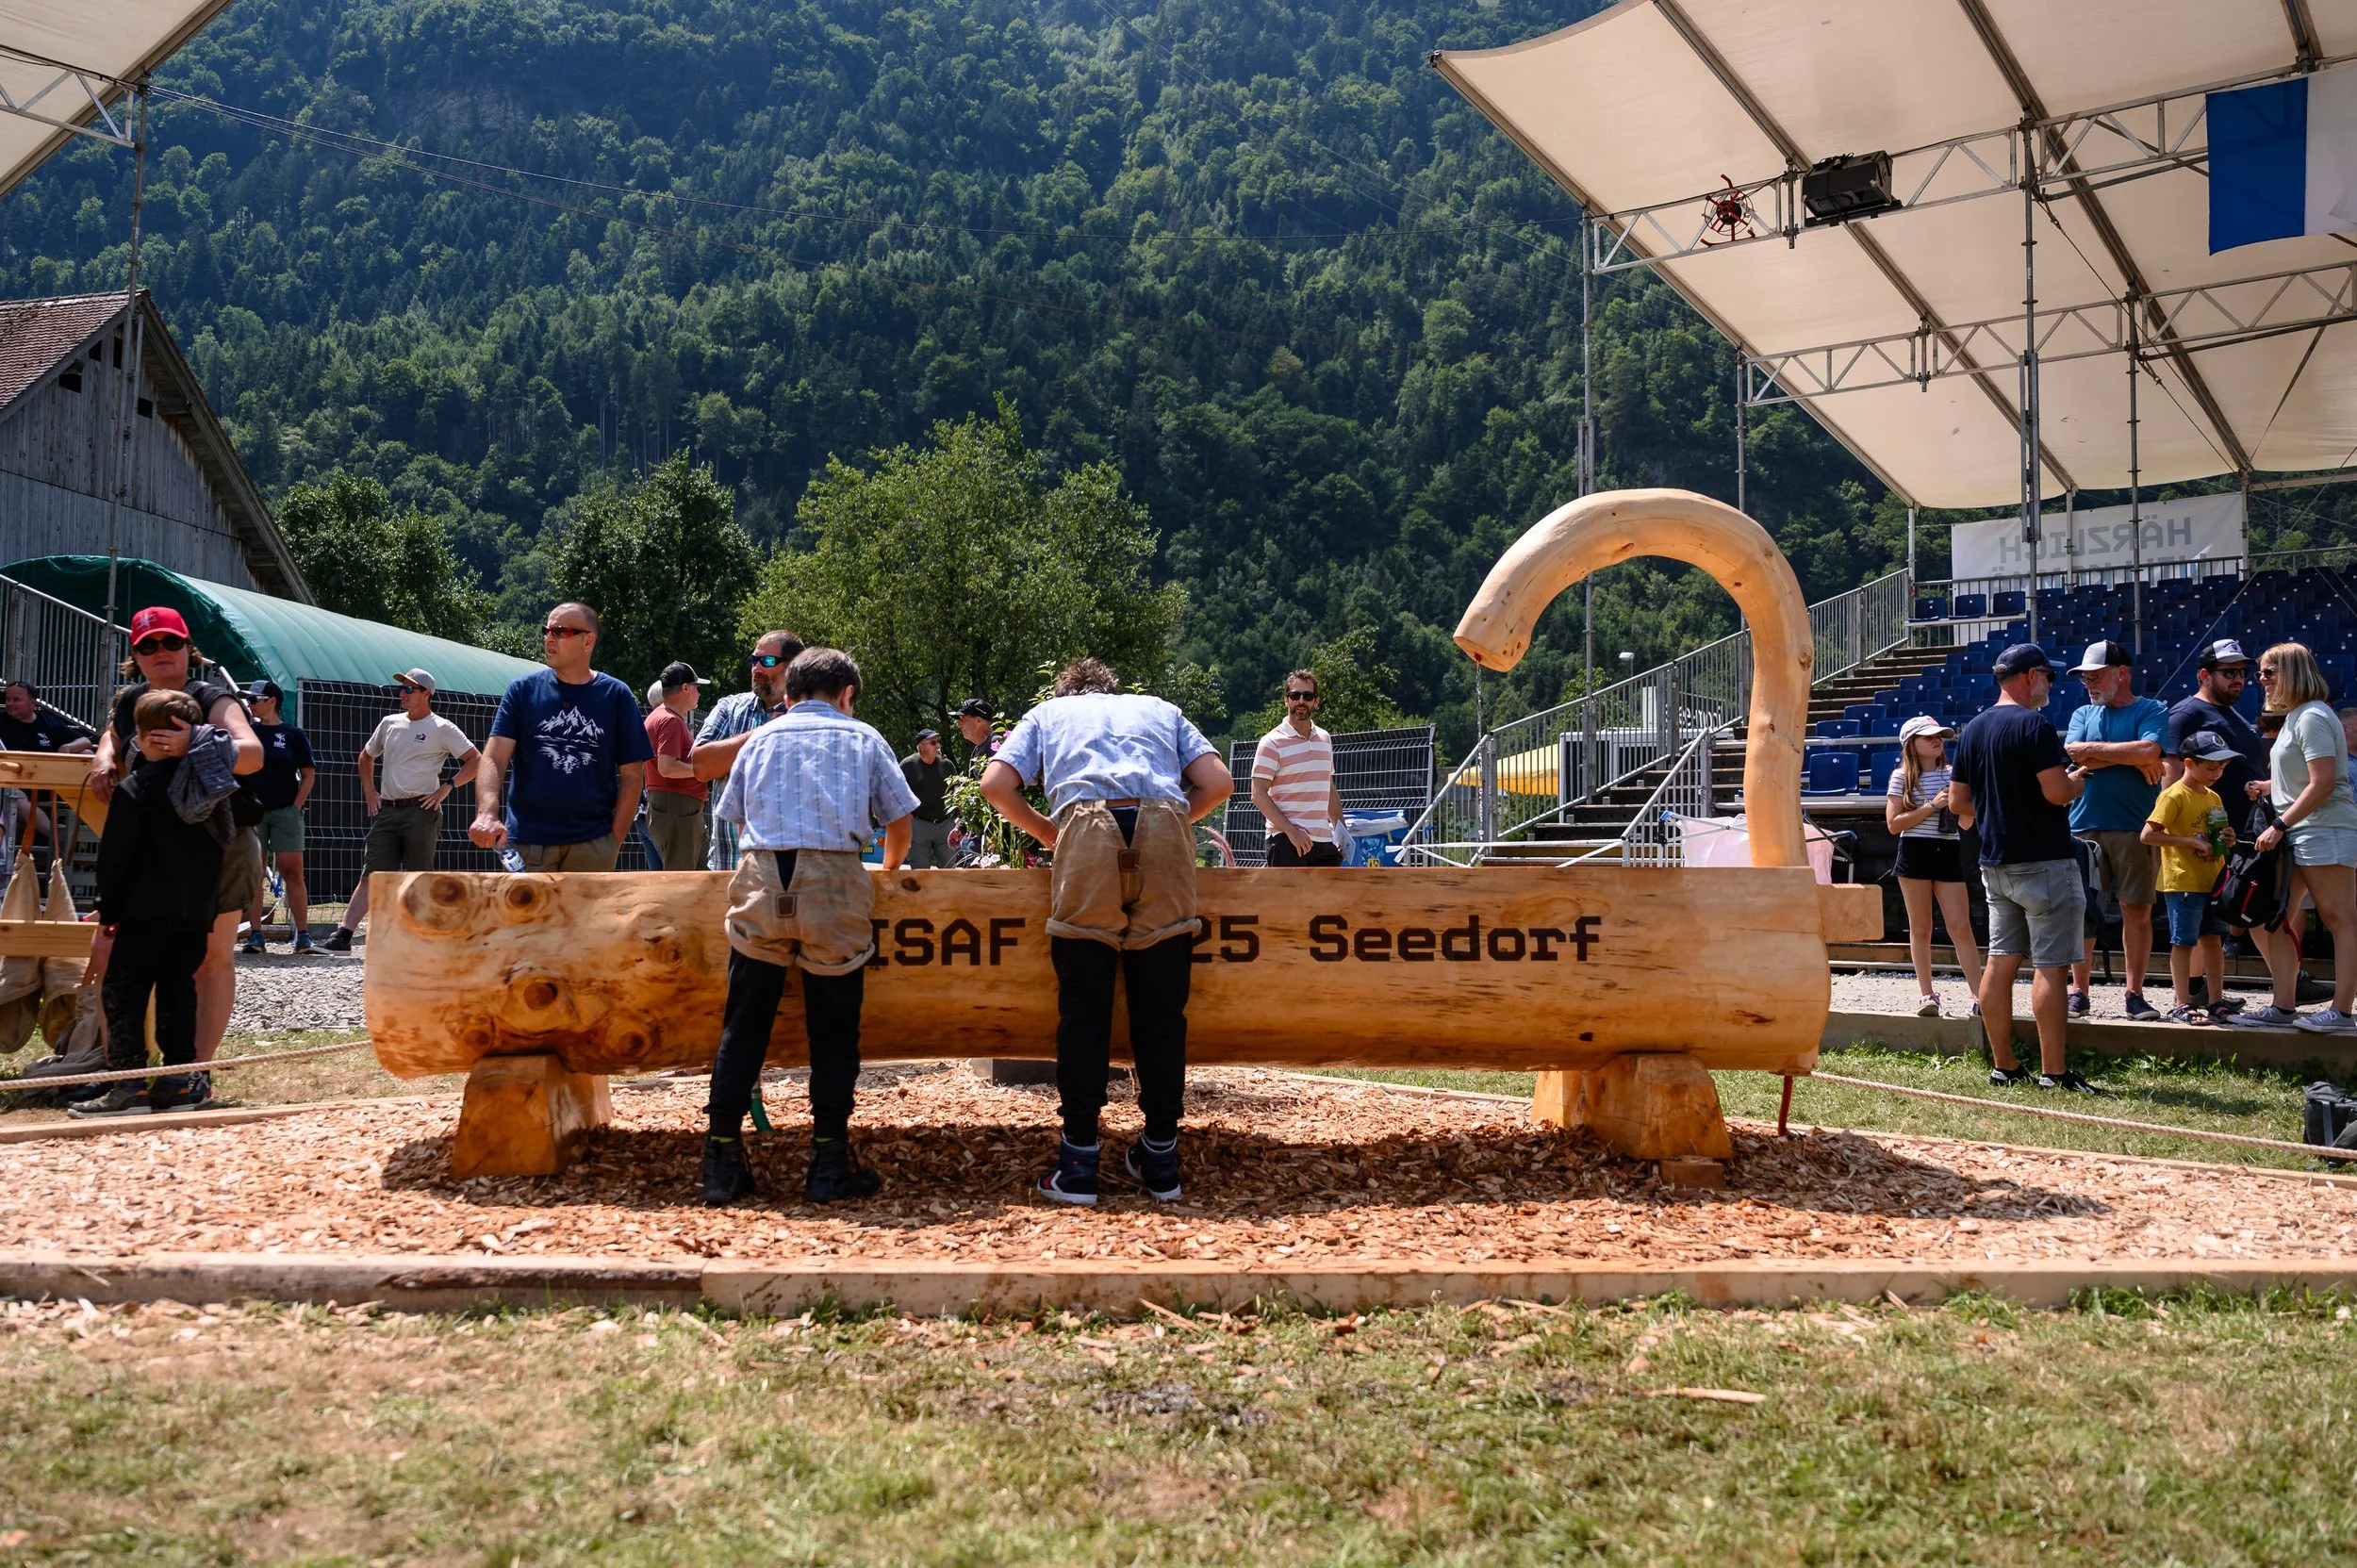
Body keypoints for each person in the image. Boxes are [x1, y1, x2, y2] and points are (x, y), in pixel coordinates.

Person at [979, 657, 1233, 1205]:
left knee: (1084, 1006)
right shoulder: (1161, 710)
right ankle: (1161, 1159)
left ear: (1065, 690)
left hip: (1086, 829)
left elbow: (995, 783)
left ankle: (1078, 1165)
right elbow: (1218, 782)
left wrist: (1051, 833)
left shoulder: (1050, 712)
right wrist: (1170, 824)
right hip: (1165, 827)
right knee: (1163, 1007)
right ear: (1115, 689)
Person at [701, 648, 916, 1208]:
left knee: (743, 1024)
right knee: (834, 1029)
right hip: (832, 878)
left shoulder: (761, 738)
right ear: (846, 695)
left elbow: (736, 815)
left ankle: (721, 1161)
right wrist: (888, 869)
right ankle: (827, 1162)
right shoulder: (865, 738)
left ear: (790, 693)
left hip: (762, 874)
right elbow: (899, 818)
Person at [85, 606, 265, 1111]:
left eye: (170, 642)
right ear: (135, 656)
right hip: (155, 857)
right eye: (148, 646)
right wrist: (104, 754)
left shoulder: (211, 697)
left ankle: (190, 1076)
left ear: (190, 648)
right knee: (113, 958)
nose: (160, 652)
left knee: (208, 961)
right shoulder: (131, 700)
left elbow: (252, 753)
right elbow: (116, 732)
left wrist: (197, 741)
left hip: (219, 846)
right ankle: (129, 1076)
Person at [1948, 643, 2098, 1093]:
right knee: (2052, 968)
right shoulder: (2034, 725)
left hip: (1995, 863)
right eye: (2048, 677)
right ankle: (2054, 1072)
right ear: (2031, 676)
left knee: (1999, 962)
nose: (2050, 685)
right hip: (2045, 861)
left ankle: (2005, 1066)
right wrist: (2073, 782)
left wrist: (2000, 808)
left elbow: (1958, 803)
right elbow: (2055, 793)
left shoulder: (1974, 728)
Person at [72, 690, 224, 1117]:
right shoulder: (210, 791)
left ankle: (128, 1087)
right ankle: (176, 1083)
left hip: (142, 913)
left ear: (139, 736)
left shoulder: (135, 789)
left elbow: (116, 860)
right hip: (194, 912)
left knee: (124, 993)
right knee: (180, 994)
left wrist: (110, 910)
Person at [2231, 642, 2357, 1032]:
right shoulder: (2297, 717)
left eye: (2269, 672)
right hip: (2302, 831)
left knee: (2340, 920)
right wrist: (2270, 786)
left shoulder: (2313, 717)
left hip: (2324, 830)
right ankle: (2283, 1006)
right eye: (2262, 673)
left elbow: (2323, 784)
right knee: (2272, 918)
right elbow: (2303, 778)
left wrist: (2280, 823)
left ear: (2292, 672)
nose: (2261, 680)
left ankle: (2341, 1012)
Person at [471, 602, 651, 871]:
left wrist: (612, 841)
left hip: (593, 847)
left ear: (588, 641)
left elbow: (632, 776)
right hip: (527, 844)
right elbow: (494, 757)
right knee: (527, 915)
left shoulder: (617, 695)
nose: (549, 639)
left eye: (560, 631)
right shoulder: (522, 690)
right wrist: (487, 812)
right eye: (546, 631)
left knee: (589, 916)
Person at [323, 670, 481, 951]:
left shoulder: (442, 727)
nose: (402, 694)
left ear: (426, 693)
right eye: (402, 688)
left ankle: (424, 937)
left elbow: (475, 760)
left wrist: (447, 788)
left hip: (422, 810)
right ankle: (343, 935)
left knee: (418, 876)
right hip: (387, 809)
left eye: (409, 689)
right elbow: (366, 756)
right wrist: (370, 792)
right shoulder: (389, 723)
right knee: (371, 873)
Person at [2062, 641, 2167, 1020]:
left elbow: (2149, 753)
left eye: (2096, 675)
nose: (2088, 682)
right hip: (2083, 827)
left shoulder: (2152, 709)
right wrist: (2131, 757)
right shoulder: (2081, 712)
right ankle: (2079, 991)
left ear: (2121, 672)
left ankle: (2134, 993)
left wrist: (2102, 755)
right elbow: (2074, 752)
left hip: (2135, 827)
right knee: (2083, 913)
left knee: (2136, 911)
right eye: (2085, 676)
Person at [1884, 715, 1983, 1018]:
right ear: (1911, 744)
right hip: (1915, 851)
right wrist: (1933, 806)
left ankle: (1981, 996)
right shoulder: (1901, 777)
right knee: (1921, 928)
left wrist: (1964, 809)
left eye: (1939, 735)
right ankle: (1927, 995)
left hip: (1949, 851)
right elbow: (1893, 825)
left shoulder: (1955, 774)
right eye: (1929, 737)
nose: (1937, 740)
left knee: (1961, 927)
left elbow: (1966, 821)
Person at [2142, 731, 2240, 1025]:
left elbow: (2216, 834)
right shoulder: (2173, 795)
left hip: (2213, 881)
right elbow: (2148, 835)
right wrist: (2190, 842)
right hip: (2183, 881)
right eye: (2211, 767)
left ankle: (2216, 999)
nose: (2217, 773)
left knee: (2213, 940)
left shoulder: (2213, 796)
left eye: (2222, 768)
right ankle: (2181, 1003)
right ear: (2188, 763)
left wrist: (2228, 838)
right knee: (2184, 941)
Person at [690, 630, 804, 870]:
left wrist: (728, 759)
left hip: (789, 875)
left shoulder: (809, 716)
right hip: (727, 868)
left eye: (768, 661)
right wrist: (765, 733)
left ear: (794, 666)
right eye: (755, 660)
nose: (757, 668)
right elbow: (700, 766)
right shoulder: (729, 707)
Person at [238, 680, 317, 954]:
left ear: (272, 701)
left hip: (286, 812)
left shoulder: (292, 734)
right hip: (253, 813)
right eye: (248, 699)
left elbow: (308, 774)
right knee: (255, 873)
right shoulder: (246, 732)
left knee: (292, 871)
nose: (250, 704)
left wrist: (296, 806)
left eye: (255, 699)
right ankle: (255, 934)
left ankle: (303, 935)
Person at [1251, 669, 1344, 867]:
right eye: (1295, 695)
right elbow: (1258, 793)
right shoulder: (1271, 742)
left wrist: (1341, 834)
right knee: (1287, 899)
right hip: (1286, 840)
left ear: (1316, 701)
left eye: (1307, 696)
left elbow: (1328, 788)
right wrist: (1290, 831)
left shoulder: (1325, 739)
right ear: (1286, 700)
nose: (1301, 701)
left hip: (1324, 842)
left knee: (1332, 898)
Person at [642, 661, 708, 874]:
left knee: (694, 875)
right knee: (682, 879)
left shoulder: (658, 717)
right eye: (697, 686)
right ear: (685, 688)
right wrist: (704, 768)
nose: (699, 692)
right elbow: (667, 768)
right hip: (678, 808)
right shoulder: (670, 721)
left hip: (672, 807)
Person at [948, 699, 1000, 857]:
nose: (958, 725)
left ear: (978, 720)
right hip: (980, 834)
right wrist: (961, 827)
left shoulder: (996, 744)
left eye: (962, 719)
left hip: (996, 834)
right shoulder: (977, 751)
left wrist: (995, 838)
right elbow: (974, 797)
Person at [899, 729, 956, 868]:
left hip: (945, 825)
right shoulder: (908, 765)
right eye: (933, 742)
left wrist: (956, 820)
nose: (938, 746)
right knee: (920, 874)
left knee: (950, 872)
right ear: (921, 746)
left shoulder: (947, 765)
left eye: (938, 742)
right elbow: (897, 794)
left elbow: (957, 793)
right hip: (918, 825)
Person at [0, 681, 92, 753]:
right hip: (9, 770)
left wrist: (67, 747)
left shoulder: (49, 722)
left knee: (87, 753)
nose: (9, 703)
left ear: (32, 703)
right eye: (8, 699)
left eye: (16, 700)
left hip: (46, 771)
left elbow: (85, 741)